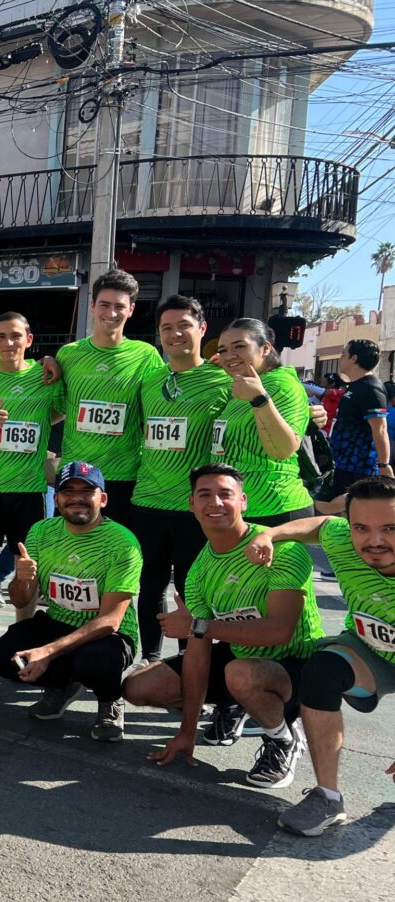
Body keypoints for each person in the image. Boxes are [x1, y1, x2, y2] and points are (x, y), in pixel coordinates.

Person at [124, 464, 322, 786]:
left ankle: (283, 739)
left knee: (240, 673)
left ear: (243, 501)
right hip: (241, 658)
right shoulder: (199, 571)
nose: (215, 502)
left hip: (297, 663)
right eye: (205, 495)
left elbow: (279, 631)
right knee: (138, 686)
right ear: (191, 504)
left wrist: (199, 625)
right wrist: (186, 732)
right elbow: (197, 654)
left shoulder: (281, 548)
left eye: (225, 494)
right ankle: (235, 702)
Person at [243, 478, 395, 835]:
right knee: (322, 671)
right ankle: (328, 798)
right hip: (370, 653)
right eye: (362, 528)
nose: (374, 540)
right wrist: (270, 535)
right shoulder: (342, 538)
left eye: (390, 529)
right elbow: (322, 524)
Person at [0, 461, 141, 741]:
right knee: (1, 657)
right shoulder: (41, 532)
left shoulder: (123, 543)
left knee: (94, 661)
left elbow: (110, 621)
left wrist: (47, 652)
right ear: (56, 499)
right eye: (68, 491)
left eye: (87, 491)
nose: (77, 498)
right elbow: (20, 600)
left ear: (103, 499)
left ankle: (110, 700)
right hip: (58, 622)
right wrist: (21, 579)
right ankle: (63, 684)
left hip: (108, 635)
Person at [128, 295, 233, 662]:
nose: (175, 334)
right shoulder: (149, 379)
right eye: (167, 328)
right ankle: (151, 660)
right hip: (147, 501)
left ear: (202, 329)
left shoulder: (223, 379)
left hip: (195, 507)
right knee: (150, 586)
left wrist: (313, 411)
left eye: (184, 326)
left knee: (194, 591)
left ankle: (191, 662)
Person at [0, 312, 64, 608]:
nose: (9, 343)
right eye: (1, 337)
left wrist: (51, 362)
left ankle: (23, 631)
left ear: (28, 340)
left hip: (29, 490)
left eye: (16, 336)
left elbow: (62, 411)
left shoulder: (45, 378)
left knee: (27, 571)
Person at [55, 269, 163, 526]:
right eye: (104, 304)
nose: (111, 313)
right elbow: (56, 409)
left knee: (119, 546)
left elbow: (160, 407)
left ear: (131, 310)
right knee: (69, 544)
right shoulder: (68, 355)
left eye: (119, 306)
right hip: (76, 474)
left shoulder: (146, 355)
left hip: (123, 475)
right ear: (93, 306)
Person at [214, 318, 314, 525]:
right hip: (243, 507)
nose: (229, 355)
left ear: (265, 348)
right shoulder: (244, 384)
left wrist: (260, 399)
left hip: (274, 507)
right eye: (222, 350)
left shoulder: (281, 385)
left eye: (239, 346)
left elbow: (283, 449)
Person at [327, 339, 390, 490]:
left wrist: (384, 465)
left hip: (358, 467)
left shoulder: (371, 388)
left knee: (346, 503)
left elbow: (380, 430)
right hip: (341, 463)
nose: (340, 359)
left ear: (353, 358)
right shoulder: (354, 386)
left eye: (343, 355)